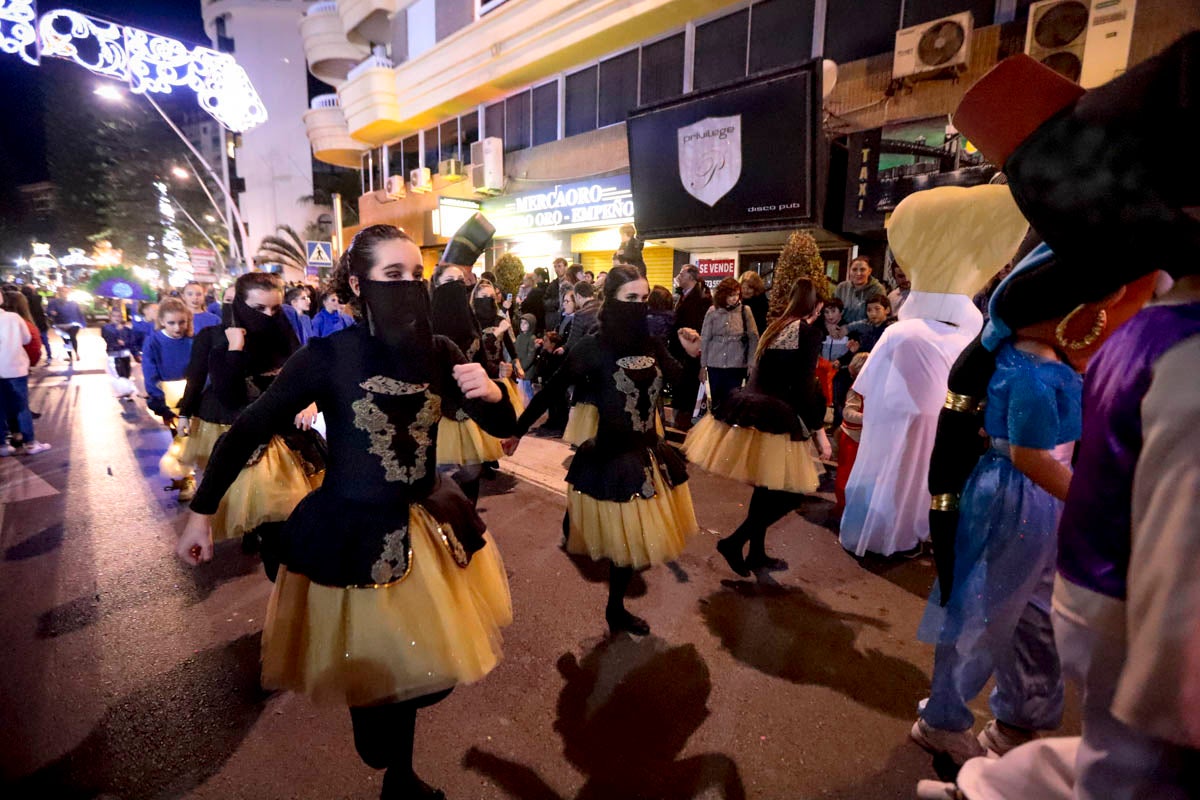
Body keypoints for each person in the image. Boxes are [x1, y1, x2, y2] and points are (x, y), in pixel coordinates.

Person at [925, 37, 1200, 800]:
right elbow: (1025, 451)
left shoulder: (1111, 354)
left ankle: (1013, 711)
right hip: (1023, 505)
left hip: (1048, 520)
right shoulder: (1064, 366)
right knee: (995, 614)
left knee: (1019, 615)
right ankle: (959, 711)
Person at [176, 223, 516, 800]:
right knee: (380, 668)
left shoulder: (440, 350)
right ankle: (381, 738)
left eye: (416, 274)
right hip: (350, 527)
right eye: (392, 275)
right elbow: (246, 431)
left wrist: (494, 394)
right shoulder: (325, 356)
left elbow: (502, 430)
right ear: (358, 284)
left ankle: (401, 778)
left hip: (425, 523)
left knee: (425, 668)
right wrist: (200, 513)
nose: (408, 286)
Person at [505, 265, 701, 635]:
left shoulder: (652, 343)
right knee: (624, 542)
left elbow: (680, 385)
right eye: (631, 298)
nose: (639, 306)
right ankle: (613, 604)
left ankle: (614, 609)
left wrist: (692, 356)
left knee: (630, 543)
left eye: (644, 299)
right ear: (611, 300)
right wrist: (517, 431)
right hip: (612, 456)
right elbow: (552, 388)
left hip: (647, 453)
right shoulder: (593, 346)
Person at [839, 184, 1029, 559]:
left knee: (892, 476)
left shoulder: (904, 330)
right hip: (933, 420)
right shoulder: (964, 335)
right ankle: (903, 536)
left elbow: (867, 382)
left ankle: (883, 536)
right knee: (914, 481)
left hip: (903, 417)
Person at [683, 278, 831, 575]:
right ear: (818, 305)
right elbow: (803, 388)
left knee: (767, 486)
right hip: (777, 414)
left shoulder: (777, 325)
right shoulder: (808, 332)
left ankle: (757, 553)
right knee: (791, 493)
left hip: (752, 407)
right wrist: (819, 432)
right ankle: (735, 542)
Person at [176, 273, 324, 562]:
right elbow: (225, 392)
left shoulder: (283, 331)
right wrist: (235, 349)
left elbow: (299, 371)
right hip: (242, 434)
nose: (269, 315)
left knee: (290, 516)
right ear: (239, 304)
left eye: (275, 308)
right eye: (259, 309)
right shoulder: (216, 337)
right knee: (260, 511)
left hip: (286, 436)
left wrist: (310, 401)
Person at [699, 277, 758, 415]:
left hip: (736, 363)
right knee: (716, 402)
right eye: (731, 295)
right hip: (715, 363)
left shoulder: (745, 310)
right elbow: (705, 338)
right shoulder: (713, 311)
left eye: (737, 295)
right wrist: (703, 365)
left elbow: (753, 338)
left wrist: (751, 363)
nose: (734, 298)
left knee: (733, 400)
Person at [0, 299, 50, 456]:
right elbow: (26, 339)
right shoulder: (13, 318)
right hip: (15, 367)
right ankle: (30, 443)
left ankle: (2, 445)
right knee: (22, 406)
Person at [142, 298, 194, 430]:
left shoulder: (193, 340)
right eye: (171, 323)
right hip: (166, 397)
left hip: (192, 394)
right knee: (177, 434)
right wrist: (158, 398)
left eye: (182, 322)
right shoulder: (153, 342)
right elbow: (150, 372)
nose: (177, 328)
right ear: (162, 321)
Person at [669, 265, 711, 429]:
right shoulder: (682, 297)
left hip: (690, 354)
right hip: (680, 352)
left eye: (681, 273)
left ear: (691, 277)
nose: (678, 276)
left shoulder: (699, 300)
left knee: (688, 392)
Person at [834, 352, 869, 518]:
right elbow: (848, 413)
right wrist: (871, 417)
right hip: (852, 437)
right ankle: (843, 509)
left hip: (864, 439)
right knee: (846, 475)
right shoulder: (857, 389)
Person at [834, 257, 887, 324]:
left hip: (868, 333)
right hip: (841, 332)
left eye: (862, 270)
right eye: (854, 270)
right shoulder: (841, 287)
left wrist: (849, 328)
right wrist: (830, 325)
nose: (858, 273)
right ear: (849, 271)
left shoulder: (878, 289)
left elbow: (878, 318)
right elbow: (832, 311)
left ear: (869, 271)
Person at [100, 311, 138, 399]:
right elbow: (109, 337)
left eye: (119, 316)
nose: (117, 318)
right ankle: (126, 391)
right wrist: (119, 332)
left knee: (126, 374)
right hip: (114, 355)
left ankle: (127, 392)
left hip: (125, 355)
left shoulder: (127, 330)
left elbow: (131, 342)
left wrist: (136, 354)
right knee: (117, 374)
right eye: (114, 316)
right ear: (110, 317)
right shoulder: (106, 328)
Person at [45, 286, 85, 361]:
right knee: (66, 341)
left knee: (73, 337)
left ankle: (76, 353)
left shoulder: (73, 302)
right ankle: (70, 356)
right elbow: (48, 311)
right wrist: (51, 313)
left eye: (67, 291)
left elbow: (79, 313)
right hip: (60, 324)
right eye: (63, 291)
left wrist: (83, 323)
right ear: (59, 292)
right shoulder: (54, 302)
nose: (65, 293)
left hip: (73, 324)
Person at [20, 285, 50, 364]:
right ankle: (49, 356)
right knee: (45, 340)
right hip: (40, 323)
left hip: (31, 323)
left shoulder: (22, 302)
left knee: (32, 341)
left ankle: (35, 356)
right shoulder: (38, 298)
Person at [520, 267, 549, 335]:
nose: (533, 278)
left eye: (534, 276)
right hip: (545, 321)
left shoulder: (535, 291)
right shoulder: (548, 288)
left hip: (535, 321)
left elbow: (525, 305)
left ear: (539, 277)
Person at [544, 257, 567, 333]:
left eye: (559, 266)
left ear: (566, 267)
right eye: (555, 267)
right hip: (554, 320)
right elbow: (545, 301)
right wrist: (557, 302)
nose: (557, 269)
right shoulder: (552, 284)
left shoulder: (571, 283)